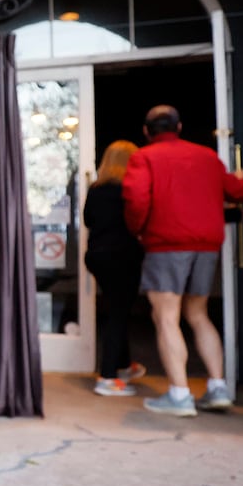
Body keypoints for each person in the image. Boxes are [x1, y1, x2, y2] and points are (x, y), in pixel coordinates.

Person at [123, 104, 243, 417]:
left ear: (146, 131)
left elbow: (135, 199)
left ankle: (179, 395)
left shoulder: (144, 157)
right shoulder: (207, 156)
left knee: (166, 317)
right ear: (179, 127)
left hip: (166, 244)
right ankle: (217, 388)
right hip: (206, 245)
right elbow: (238, 191)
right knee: (198, 314)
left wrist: (138, 230)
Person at [84, 140, 147, 396]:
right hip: (123, 257)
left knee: (116, 309)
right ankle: (108, 377)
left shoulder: (96, 189)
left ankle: (123, 366)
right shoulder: (130, 190)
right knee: (119, 313)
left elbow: (88, 220)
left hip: (97, 256)